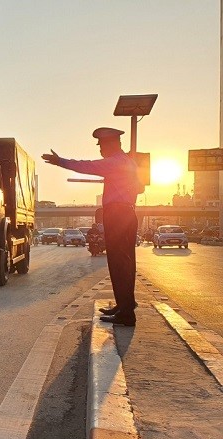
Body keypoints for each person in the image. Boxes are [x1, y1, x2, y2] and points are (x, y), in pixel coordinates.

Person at [42, 127, 141, 326]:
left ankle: (126, 313)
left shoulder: (115, 162)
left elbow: (87, 166)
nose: (100, 150)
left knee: (119, 262)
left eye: (102, 145)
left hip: (118, 214)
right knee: (125, 261)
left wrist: (60, 161)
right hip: (127, 212)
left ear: (112, 144)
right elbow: (140, 187)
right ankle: (125, 305)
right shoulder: (128, 162)